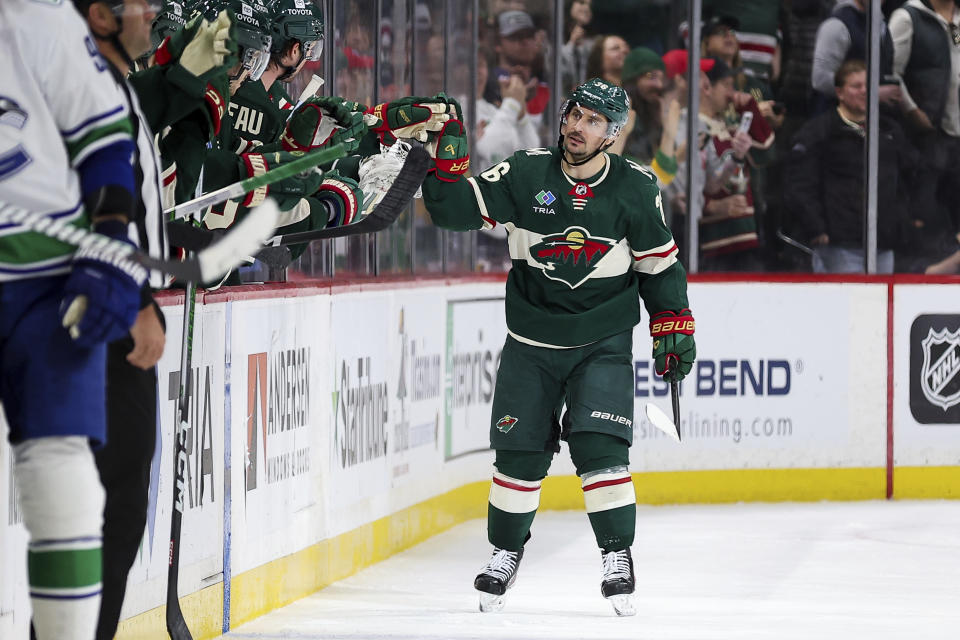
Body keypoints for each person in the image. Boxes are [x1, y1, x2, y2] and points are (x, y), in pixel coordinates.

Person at [419, 78, 696, 616]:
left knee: (600, 449)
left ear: (612, 134)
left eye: (593, 121)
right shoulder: (525, 173)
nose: (576, 126)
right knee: (518, 454)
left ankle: (617, 555)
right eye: (574, 114)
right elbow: (454, 211)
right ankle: (505, 552)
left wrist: (673, 324)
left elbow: (658, 266)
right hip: (530, 341)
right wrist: (447, 155)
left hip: (602, 340)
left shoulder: (636, 188)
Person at [0, 1, 146, 637]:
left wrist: (111, 242)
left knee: (69, 481)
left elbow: (104, 138)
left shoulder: (38, 14)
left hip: (46, 282)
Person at [784, 59, 915, 273]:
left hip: (883, 241)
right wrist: (816, 228)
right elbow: (800, 184)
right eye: (856, 86)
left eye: (868, 86)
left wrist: (904, 220)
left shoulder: (889, 130)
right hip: (839, 243)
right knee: (849, 305)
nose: (864, 91)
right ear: (840, 92)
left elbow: (909, 174)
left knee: (880, 305)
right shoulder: (819, 131)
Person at [811, 0, 900, 112]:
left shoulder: (881, 24)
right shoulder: (837, 25)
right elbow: (821, 79)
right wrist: (873, 93)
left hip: (875, 119)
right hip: (838, 120)